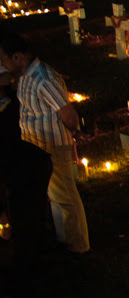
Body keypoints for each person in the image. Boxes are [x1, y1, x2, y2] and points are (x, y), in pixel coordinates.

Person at [0, 32, 88, 254]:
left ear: (17, 57)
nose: (2, 65)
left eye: (4, 60)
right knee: (54, 196)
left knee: (65, 197)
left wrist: (74, 132)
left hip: (52, 146)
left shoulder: (44, 79)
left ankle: (78, 246)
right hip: (36, 146)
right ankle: (63, 238)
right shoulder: (24, 75)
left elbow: (68, 114)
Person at [0, 65, 53, 280]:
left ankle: (27, 270)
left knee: (26, 218)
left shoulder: (10, 111)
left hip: (28, 168)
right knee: (28, 217)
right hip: (25, 164)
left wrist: (3, 215)